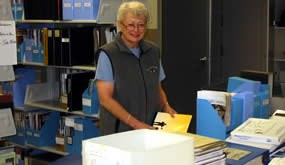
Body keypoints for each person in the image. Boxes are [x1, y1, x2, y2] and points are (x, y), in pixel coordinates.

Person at [95, 1, 177, 136]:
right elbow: (105, 99)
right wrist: (135, 124)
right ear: (120, 25)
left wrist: (166, 106)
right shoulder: (108, 54)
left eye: (141, 25)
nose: (136, 30)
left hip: (150, 128)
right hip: (119, 131)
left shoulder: (153, 51)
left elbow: (157, 87)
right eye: (131, 25)